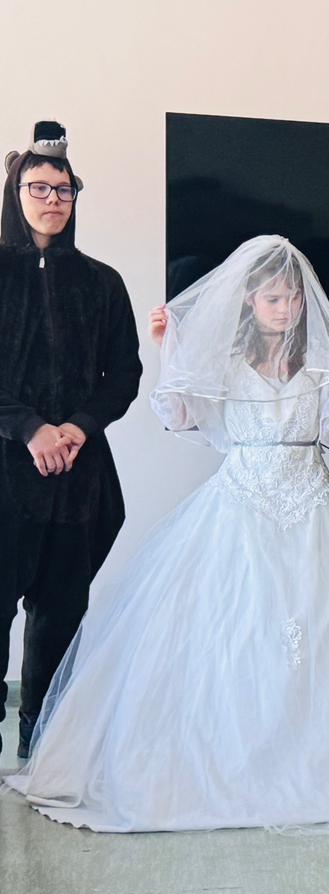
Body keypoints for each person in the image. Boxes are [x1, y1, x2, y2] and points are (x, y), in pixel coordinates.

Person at [2, 237, 329, 831]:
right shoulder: (227, 366)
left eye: (293, 298)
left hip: (312, 507)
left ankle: (315, 751)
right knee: (236, 626)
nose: (285, 308)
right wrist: (169, 350)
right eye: (273, 299)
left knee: (317, 627)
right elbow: (180, 415)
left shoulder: (324, 362)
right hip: (240, 505)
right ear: (251, 303)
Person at [0, 122, 141, 759]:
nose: (53, 200)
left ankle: (43, 741)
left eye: (63, 189)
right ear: (16, 192)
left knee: (60, 613)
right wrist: (30, 429)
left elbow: (125, 374)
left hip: (78, 477)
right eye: (39, 187)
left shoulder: (102, 282)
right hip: (7, 470)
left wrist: (77, 428)